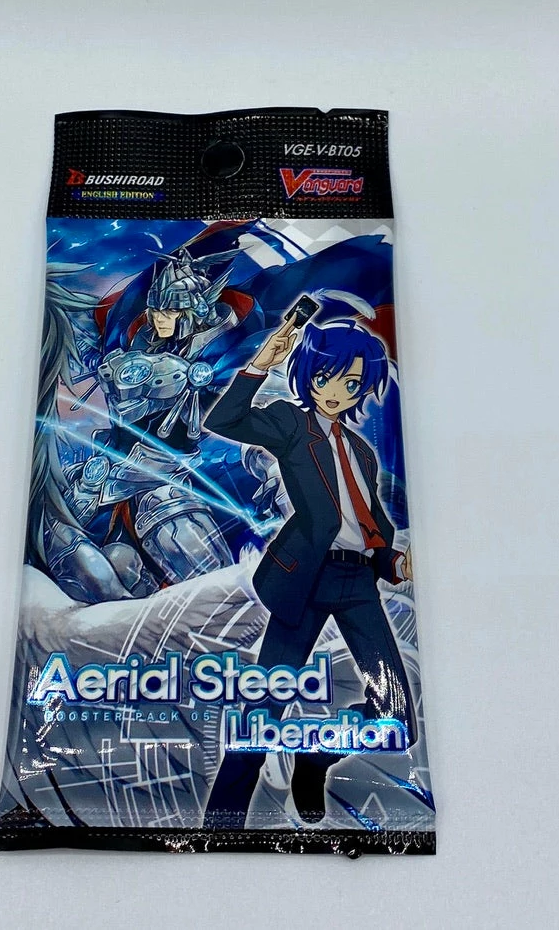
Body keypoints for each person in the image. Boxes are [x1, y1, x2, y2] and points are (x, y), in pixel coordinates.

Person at [202, 314, 418, 829]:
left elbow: (370, 524)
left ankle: (315, 754)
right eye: (325, 378)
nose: (336, 392)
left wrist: (394, 561)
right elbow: (225, 420)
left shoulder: (361, 451)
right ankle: (219, 827)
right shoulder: (291, 425)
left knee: (395, 715)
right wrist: (260, 365)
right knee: (263, 712)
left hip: (357, 582)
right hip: (304, 577)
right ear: (308, 375)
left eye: (351, 383)